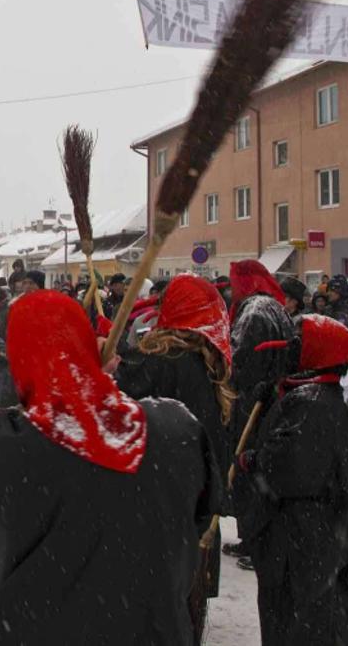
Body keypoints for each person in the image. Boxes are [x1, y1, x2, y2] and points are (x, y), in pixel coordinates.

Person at [0, 290, 219, 644]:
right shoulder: (177, 430)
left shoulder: (3, 444)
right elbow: (195, 517)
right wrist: (88, 379)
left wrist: (76, 381)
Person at [233, 314, 348, 646]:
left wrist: (255, 460)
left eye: (299, 339)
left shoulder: (312, 404)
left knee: (300, 620)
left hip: (302, 538)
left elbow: (292, 469)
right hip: (310, 535)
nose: (291, 345)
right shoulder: (313, 394)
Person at [114, 274, 232, 641]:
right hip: (192, 504)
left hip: (154, 505)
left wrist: (111, 367)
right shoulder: (207, 364)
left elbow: (119, 413)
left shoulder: (162, 362)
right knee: (180, 610)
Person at [223, 261, 293, 566]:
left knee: (249, 470)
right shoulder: (276, 307)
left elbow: (238, 359)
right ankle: (253, 538)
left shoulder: (253, 312)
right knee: (261, 470)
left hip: (253, 402)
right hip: (274, 398)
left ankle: (257, 541)